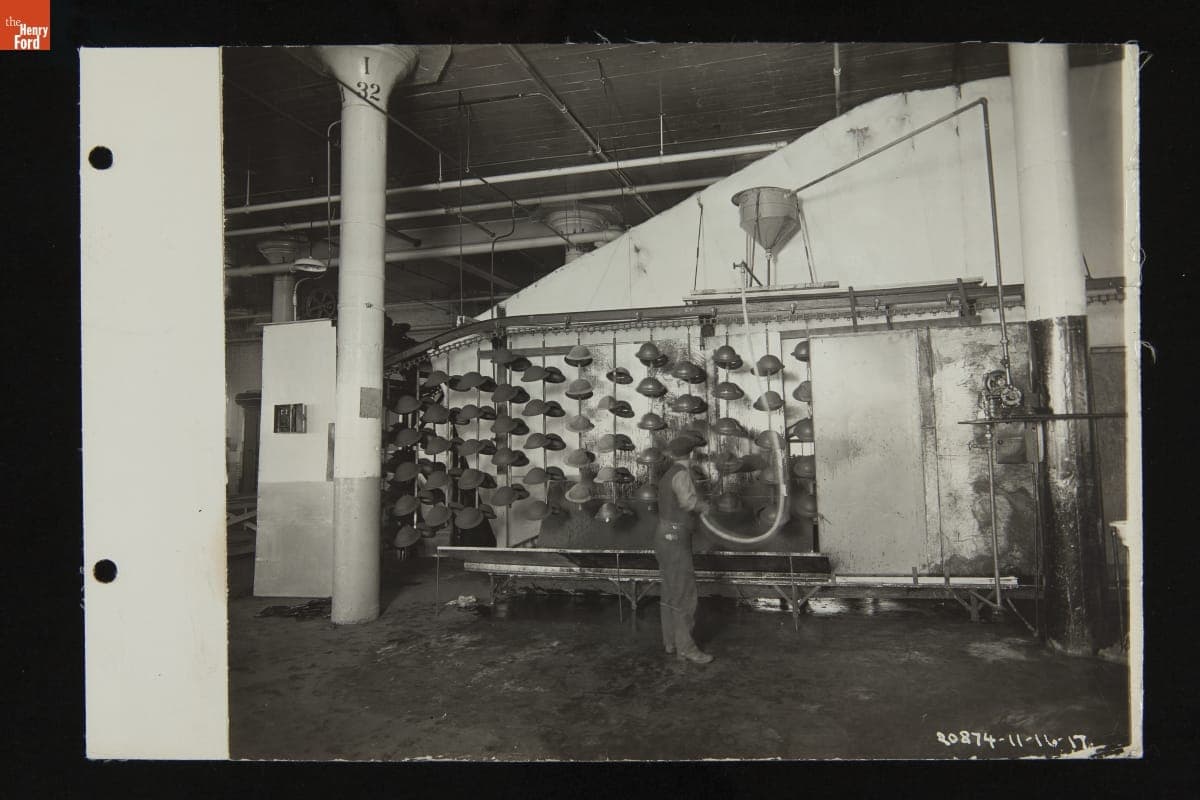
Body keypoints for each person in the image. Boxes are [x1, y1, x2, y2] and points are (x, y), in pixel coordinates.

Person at [655, 436, 714, 664]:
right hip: (676, 537)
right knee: (685, 594)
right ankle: (687, 648)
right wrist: (705, 506)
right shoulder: (681, 474)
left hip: (662, 535)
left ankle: (670, 641)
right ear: (691, 454)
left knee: (670, 591)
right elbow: (688, 503)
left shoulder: (667, 474)